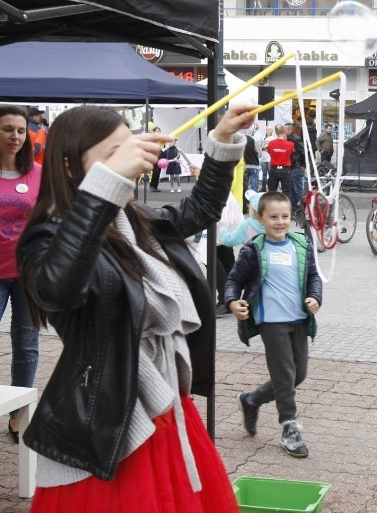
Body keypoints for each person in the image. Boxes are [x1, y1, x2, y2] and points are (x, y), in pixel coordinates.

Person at [17, 104, 251, 511]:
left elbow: (198, 211)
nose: (133, 159)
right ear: (72, 167)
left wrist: (222, 140)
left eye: (132, 147)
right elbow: (58, 287)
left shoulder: (129, 219)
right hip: (108, 414)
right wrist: (105, 186)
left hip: (163, 398)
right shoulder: (47, 236)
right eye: (113, 153)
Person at [225, 191, 322, 458]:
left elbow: (313, 276)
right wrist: (233, 302)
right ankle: (289, 427)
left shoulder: (300, 244)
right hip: (272, 322)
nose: (280, 222)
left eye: (285, 216)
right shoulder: (254, 250)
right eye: (273, 217)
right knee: (284, 375)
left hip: (299, 320)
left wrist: (315, 298)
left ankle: (251, 400)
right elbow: (233, 281)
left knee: (297, 374)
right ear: (259, 218)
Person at [0, 104, 41, 444]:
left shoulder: (38, 173)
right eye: (7, 129)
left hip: (29, 273)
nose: (14, 136)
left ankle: (19, 416)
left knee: (27, 346)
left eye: (19, 130)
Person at [267, 123, 294, 197]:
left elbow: (269, 152)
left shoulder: (271, 143)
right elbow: (291, 152)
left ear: (276, 132)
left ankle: (271, 207)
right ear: (284, 131)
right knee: (287, 192)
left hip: (274, 168)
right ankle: (286, 207)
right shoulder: (290, 144)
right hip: (285, 169)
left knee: (272, 191)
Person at [287, 123, 307, 211]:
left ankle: (302, 209)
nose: (284, 131)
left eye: (285, 129)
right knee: (292, 189)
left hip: (297, 166)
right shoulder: (288, 139)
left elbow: (304, 152)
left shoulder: (296, 139)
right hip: (292, 166)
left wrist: (303, 165)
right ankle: (295, 208)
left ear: (290, 130)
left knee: (298, 189)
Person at [148, 126, 165, 192]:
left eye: (159, 131)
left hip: (160, 157)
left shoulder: (161, 140)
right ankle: (152, 186)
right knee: (155, 172)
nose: (158, 132)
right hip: (154, 157)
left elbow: (163, 148)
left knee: (158, 173)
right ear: (154, 132)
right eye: (157, 131)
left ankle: (155, 186)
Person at [260, 125, 274, 191]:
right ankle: (263, 188)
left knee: (270, 174)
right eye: (266, 130)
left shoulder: (272, 139)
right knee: (264, 174)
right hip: (264, 158)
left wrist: (264, 147)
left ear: (272, 131)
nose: (267, 131)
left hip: (269, 159)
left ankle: (271, 188)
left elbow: (268, 148)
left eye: (268, 130)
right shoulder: (264, 138)